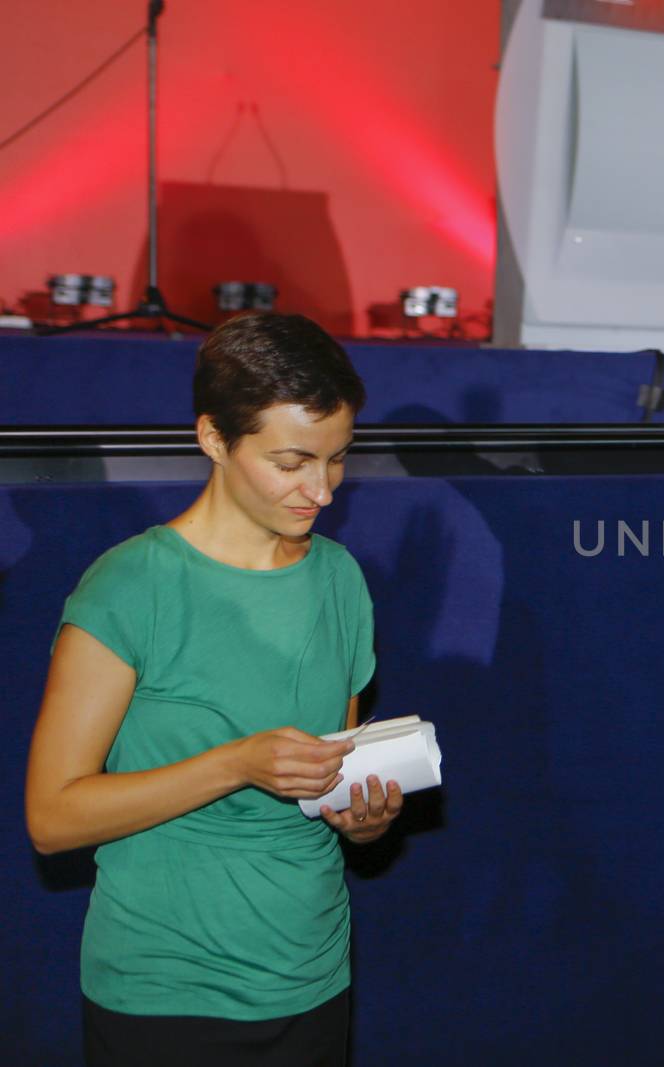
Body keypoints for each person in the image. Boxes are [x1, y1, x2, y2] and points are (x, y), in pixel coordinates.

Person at [24, 312, 402, 1067]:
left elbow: (328, 777)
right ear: (213, 438)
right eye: (293, 461)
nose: (321, 490)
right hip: (166, 990)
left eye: (337, 459)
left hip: (313, 975)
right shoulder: (131, 586)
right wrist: (235, 762)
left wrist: (363, 815)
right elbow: (52, 817)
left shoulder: (339, 579)